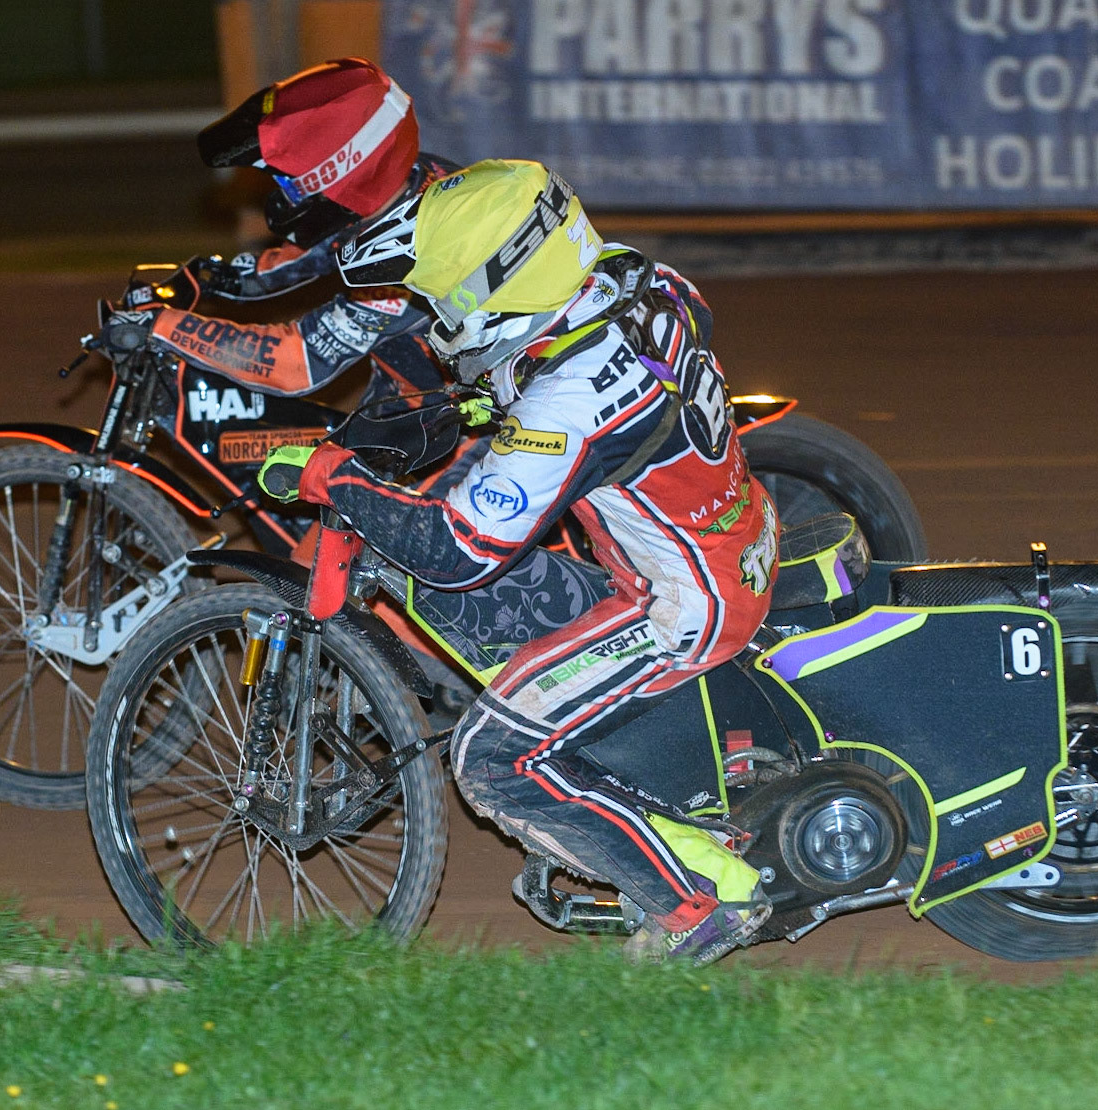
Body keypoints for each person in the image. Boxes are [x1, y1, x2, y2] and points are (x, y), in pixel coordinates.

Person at [257, 159, 782, 965]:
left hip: (681, 605)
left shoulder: (562, 407)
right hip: (736, 528)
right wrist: (486, 399)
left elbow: (456, 552)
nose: (432, 318)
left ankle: (700, 903)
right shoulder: (637, 280)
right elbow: (597, 375)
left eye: (441, 298)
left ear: (493, 284)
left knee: (491, 758)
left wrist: (334, 478)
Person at [98, 57, 458, 408]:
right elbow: (303, 258)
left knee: (323, 469)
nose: (282, 194)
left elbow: (297, 364)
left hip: (470, 434)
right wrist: (205, 276)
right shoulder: (404, 183)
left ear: (343, 170)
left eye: (289, 182)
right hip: (420, 409)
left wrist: (162, 326)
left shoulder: (408, 256)